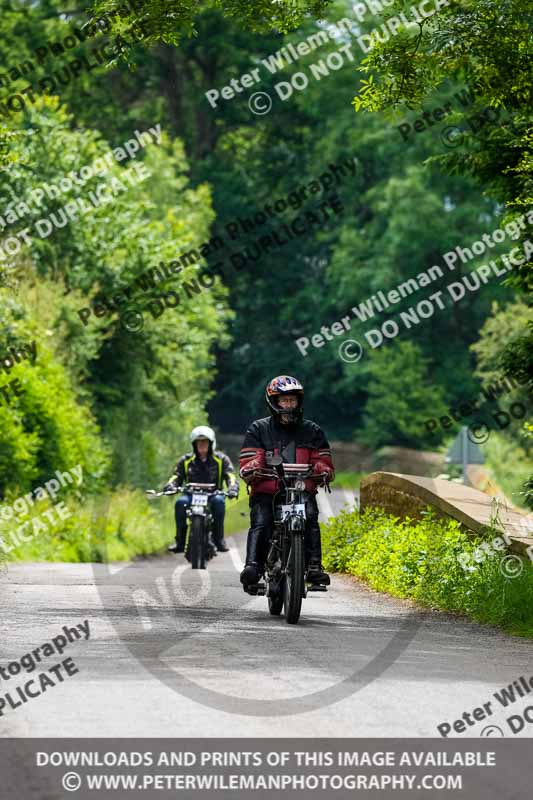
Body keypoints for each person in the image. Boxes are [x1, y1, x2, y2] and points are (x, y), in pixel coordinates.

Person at [238, 375, 335, 591]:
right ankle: (252, 567)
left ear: (299, 402)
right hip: (267, 490)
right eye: (284, 400)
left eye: (292, 400)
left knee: (309, 516)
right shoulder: (258, 429)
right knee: (262, 522)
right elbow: (247, 460)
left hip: (301, 490)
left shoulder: (313, 430)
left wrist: (322, 469)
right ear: (274, 402)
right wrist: (256, 465)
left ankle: (313, 566)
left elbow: (323, 459)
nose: (289, 405)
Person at [164, 426, 239, 554]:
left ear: (211, 443)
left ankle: (218, 539)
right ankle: (180, 542)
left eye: (205, 442)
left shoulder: (221, 459)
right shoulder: (186, 460)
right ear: (194, 444)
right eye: (199, 442)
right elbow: (176, 476)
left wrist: (233, 488)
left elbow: (230, 475)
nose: (202, 445)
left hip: (213, 494)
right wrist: (171, 486)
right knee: (180, 503)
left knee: (219, 503)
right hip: (191, 494)